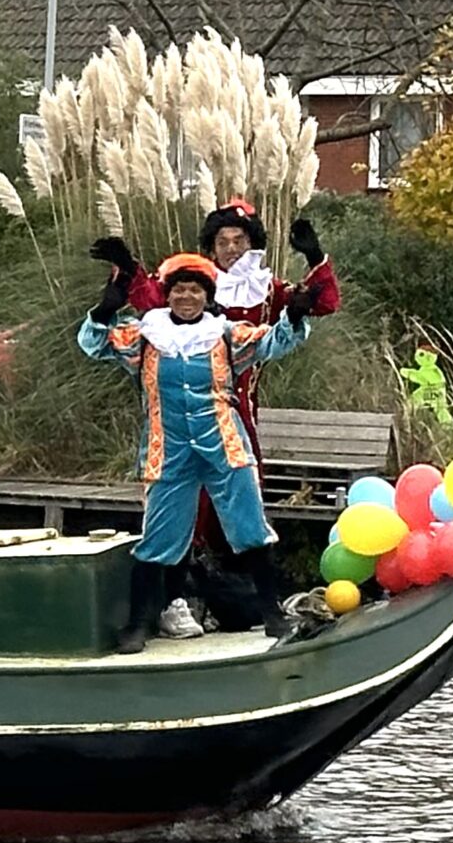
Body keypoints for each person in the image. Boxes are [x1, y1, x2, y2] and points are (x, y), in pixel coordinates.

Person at [79, 249, 315, 653]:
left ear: (207, 297)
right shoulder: (146, 337)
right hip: (168, 451)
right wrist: (106, 308)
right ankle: (138, 625)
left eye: (195, 291)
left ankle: (273, 615)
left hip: (225, 446)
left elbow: (275, 341)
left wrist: (292, 314)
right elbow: (94, 344)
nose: (186, 297)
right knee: (158, 539)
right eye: (179, 290)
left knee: (250, 528)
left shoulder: (224, 335)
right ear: (167, 295)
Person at [95, 197, 340, 449]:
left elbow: (323, 304)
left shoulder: (268, 289)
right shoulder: (194, 285)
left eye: (238, 241)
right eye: (222, 242)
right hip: (192, 399)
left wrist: (314, 256)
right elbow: (149, 298)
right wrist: (128, 268)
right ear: (212, 249)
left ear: (252, 243)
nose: (231, 249)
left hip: (242, 403)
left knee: (242, 470)